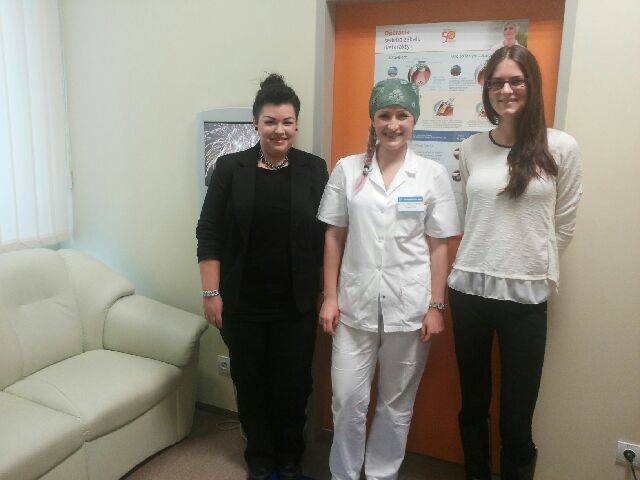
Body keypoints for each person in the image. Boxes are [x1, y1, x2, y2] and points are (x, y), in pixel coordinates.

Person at [448, 45, 582, 480]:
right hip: (469, 292)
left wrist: (530, 265)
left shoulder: (561, 146)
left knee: (517, 418)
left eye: (515, 80)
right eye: (497, 83)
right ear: (487, 90)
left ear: (532, 85)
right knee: (473, 405)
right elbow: (466, 216)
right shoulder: (470, 147)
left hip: (526, 297)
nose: (506, 90)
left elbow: (563, 225)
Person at [317, 78, 461, 480]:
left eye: (402, 115)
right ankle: (345, 474)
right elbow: (333, 236)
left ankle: (382, 474)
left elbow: (438, 245)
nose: (393, 124)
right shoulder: (348, 169)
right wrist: (330, 296)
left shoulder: (431, 174)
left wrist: (436, 305)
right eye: (384, 115)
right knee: (347, 400)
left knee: (396, 404)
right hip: (353, 305)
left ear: (414, 120)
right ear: (373, 119)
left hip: (409, 309)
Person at [196, 74, 328, 480]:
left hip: (295, 304)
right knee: (250, 382)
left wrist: (330, 292)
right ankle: (259, 456)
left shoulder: (314, 169)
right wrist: (211, 293)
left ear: (297, 125)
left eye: (287, 122)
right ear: (256, 123)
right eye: (270, 121)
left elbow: (328, 236)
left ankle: (289, 457)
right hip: (242, 303)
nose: (279, 130)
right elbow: (209, 231)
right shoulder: (229, 168)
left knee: (294, 384)